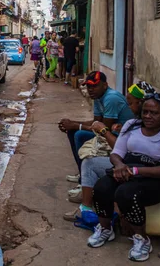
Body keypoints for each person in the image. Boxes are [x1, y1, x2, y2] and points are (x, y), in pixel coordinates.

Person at [88, 92, 160, 262]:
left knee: (126, 193)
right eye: (145, 111)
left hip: (156, 180)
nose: (148, 116)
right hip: (127, 171)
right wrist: (119, 165)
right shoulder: (132, 125)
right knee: (101, 187)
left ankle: (141, 238)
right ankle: (105, 229)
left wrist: (136, 171)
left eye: (154, 113)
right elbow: (117, 153)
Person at [63, 81, 153, 218]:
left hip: (138, 168)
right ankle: (86, 208)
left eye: (131, 103)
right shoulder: (134, 122)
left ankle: (97, 207)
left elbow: (119, 147)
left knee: (86, 145)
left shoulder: (154, 126)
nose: (128, 107)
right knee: (90, 162)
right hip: (126, 163)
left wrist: (104, 131)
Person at [58, 71, 136, 182]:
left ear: (105, 85)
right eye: (89, 86)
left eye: (94, 86)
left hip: (119, 137)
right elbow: (96, 122)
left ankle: (85, 180)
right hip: (109, 132)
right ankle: (83, 173)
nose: (90, 89)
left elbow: (103, 128)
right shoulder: (98, 97)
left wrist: (75, 125)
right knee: (72, 131)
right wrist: (71, 123)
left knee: (79, 135)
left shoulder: (111, 98)